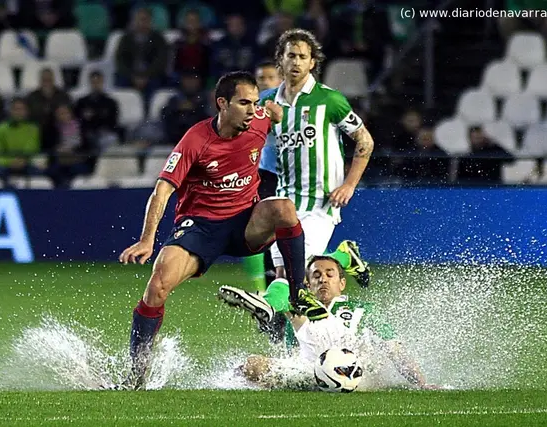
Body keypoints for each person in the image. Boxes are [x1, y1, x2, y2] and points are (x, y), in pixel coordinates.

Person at [118, 71, 327, 389]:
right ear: (222, 104)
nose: (252, 109)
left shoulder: (259, 118)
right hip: (200, 228)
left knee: (283, 209)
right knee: (157, 285)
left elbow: (276, 111)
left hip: (246, 223)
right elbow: (162, 190)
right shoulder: (196, 139)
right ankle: (135, 377)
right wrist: (147, 240)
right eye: (244, 103)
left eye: (255, 103)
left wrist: (278, 112)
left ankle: (298, 293)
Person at [218, 256, 439, 390]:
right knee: (251, 364)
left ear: (342, 282)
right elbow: (292, 354)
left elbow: (394, 349)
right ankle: (270, 303)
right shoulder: (297, 312)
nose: (322, 279)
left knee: (290, 296)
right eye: (316, 275)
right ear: (308, 283)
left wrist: (420, 382)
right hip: (308, 371)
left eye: (329, 274)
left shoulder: (365, 311)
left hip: (351, 371)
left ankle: (268, 301)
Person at [261, 28, 375, 287]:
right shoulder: (266, 102)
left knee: (295, 274)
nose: (296, 62)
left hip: (321, 201)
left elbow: (364, 140)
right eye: (291, 55)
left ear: (312, 63)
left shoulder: (329, 100)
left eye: (303, 57)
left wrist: (349, 185)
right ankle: (344, 257)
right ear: (281, 59)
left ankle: (342, 259)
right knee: (283, 275)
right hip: (284, 202)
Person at [241, 61, 284, 292]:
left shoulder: (294, 103)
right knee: (266, 232)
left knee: (299, 232)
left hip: (297, 176)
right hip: (267, 176)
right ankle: (268, 289)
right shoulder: (257, 107)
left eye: (270, 77)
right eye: (261, 78)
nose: (265, 82)